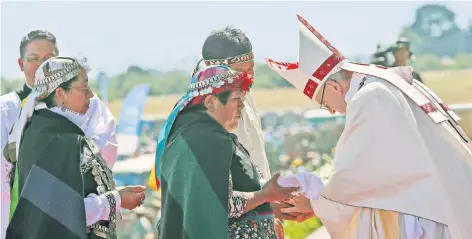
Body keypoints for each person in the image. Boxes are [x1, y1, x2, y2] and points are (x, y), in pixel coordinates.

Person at [265, 15, 472, 239]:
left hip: (428, 212)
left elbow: (355, 174)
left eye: (325, 105)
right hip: (440, 201)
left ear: (334, 87)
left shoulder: (369, 97)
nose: (333, 111)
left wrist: (315, 204)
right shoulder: (382, 84)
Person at [6, 56, 146, 238]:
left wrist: (115, 197)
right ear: (61, 94)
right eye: (85, 87)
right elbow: (59, 213)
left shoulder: (49, 134)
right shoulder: (56, 141)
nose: (90, 94)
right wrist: (116, 200)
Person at [0, 30, 119, 238]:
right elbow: (54, 204)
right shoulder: (7, 108)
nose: (40, 65)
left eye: (48, 58)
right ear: (21, 64)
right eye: (33, 58)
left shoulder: (86, 101)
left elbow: (101, 155)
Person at [156, 65, 297, 239]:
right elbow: (220, 203)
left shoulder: (195, 137)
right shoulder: (208, 141)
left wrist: (266, 207)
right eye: (236, 99)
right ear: (211, 102)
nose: (242, 106)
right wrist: (265, 195)